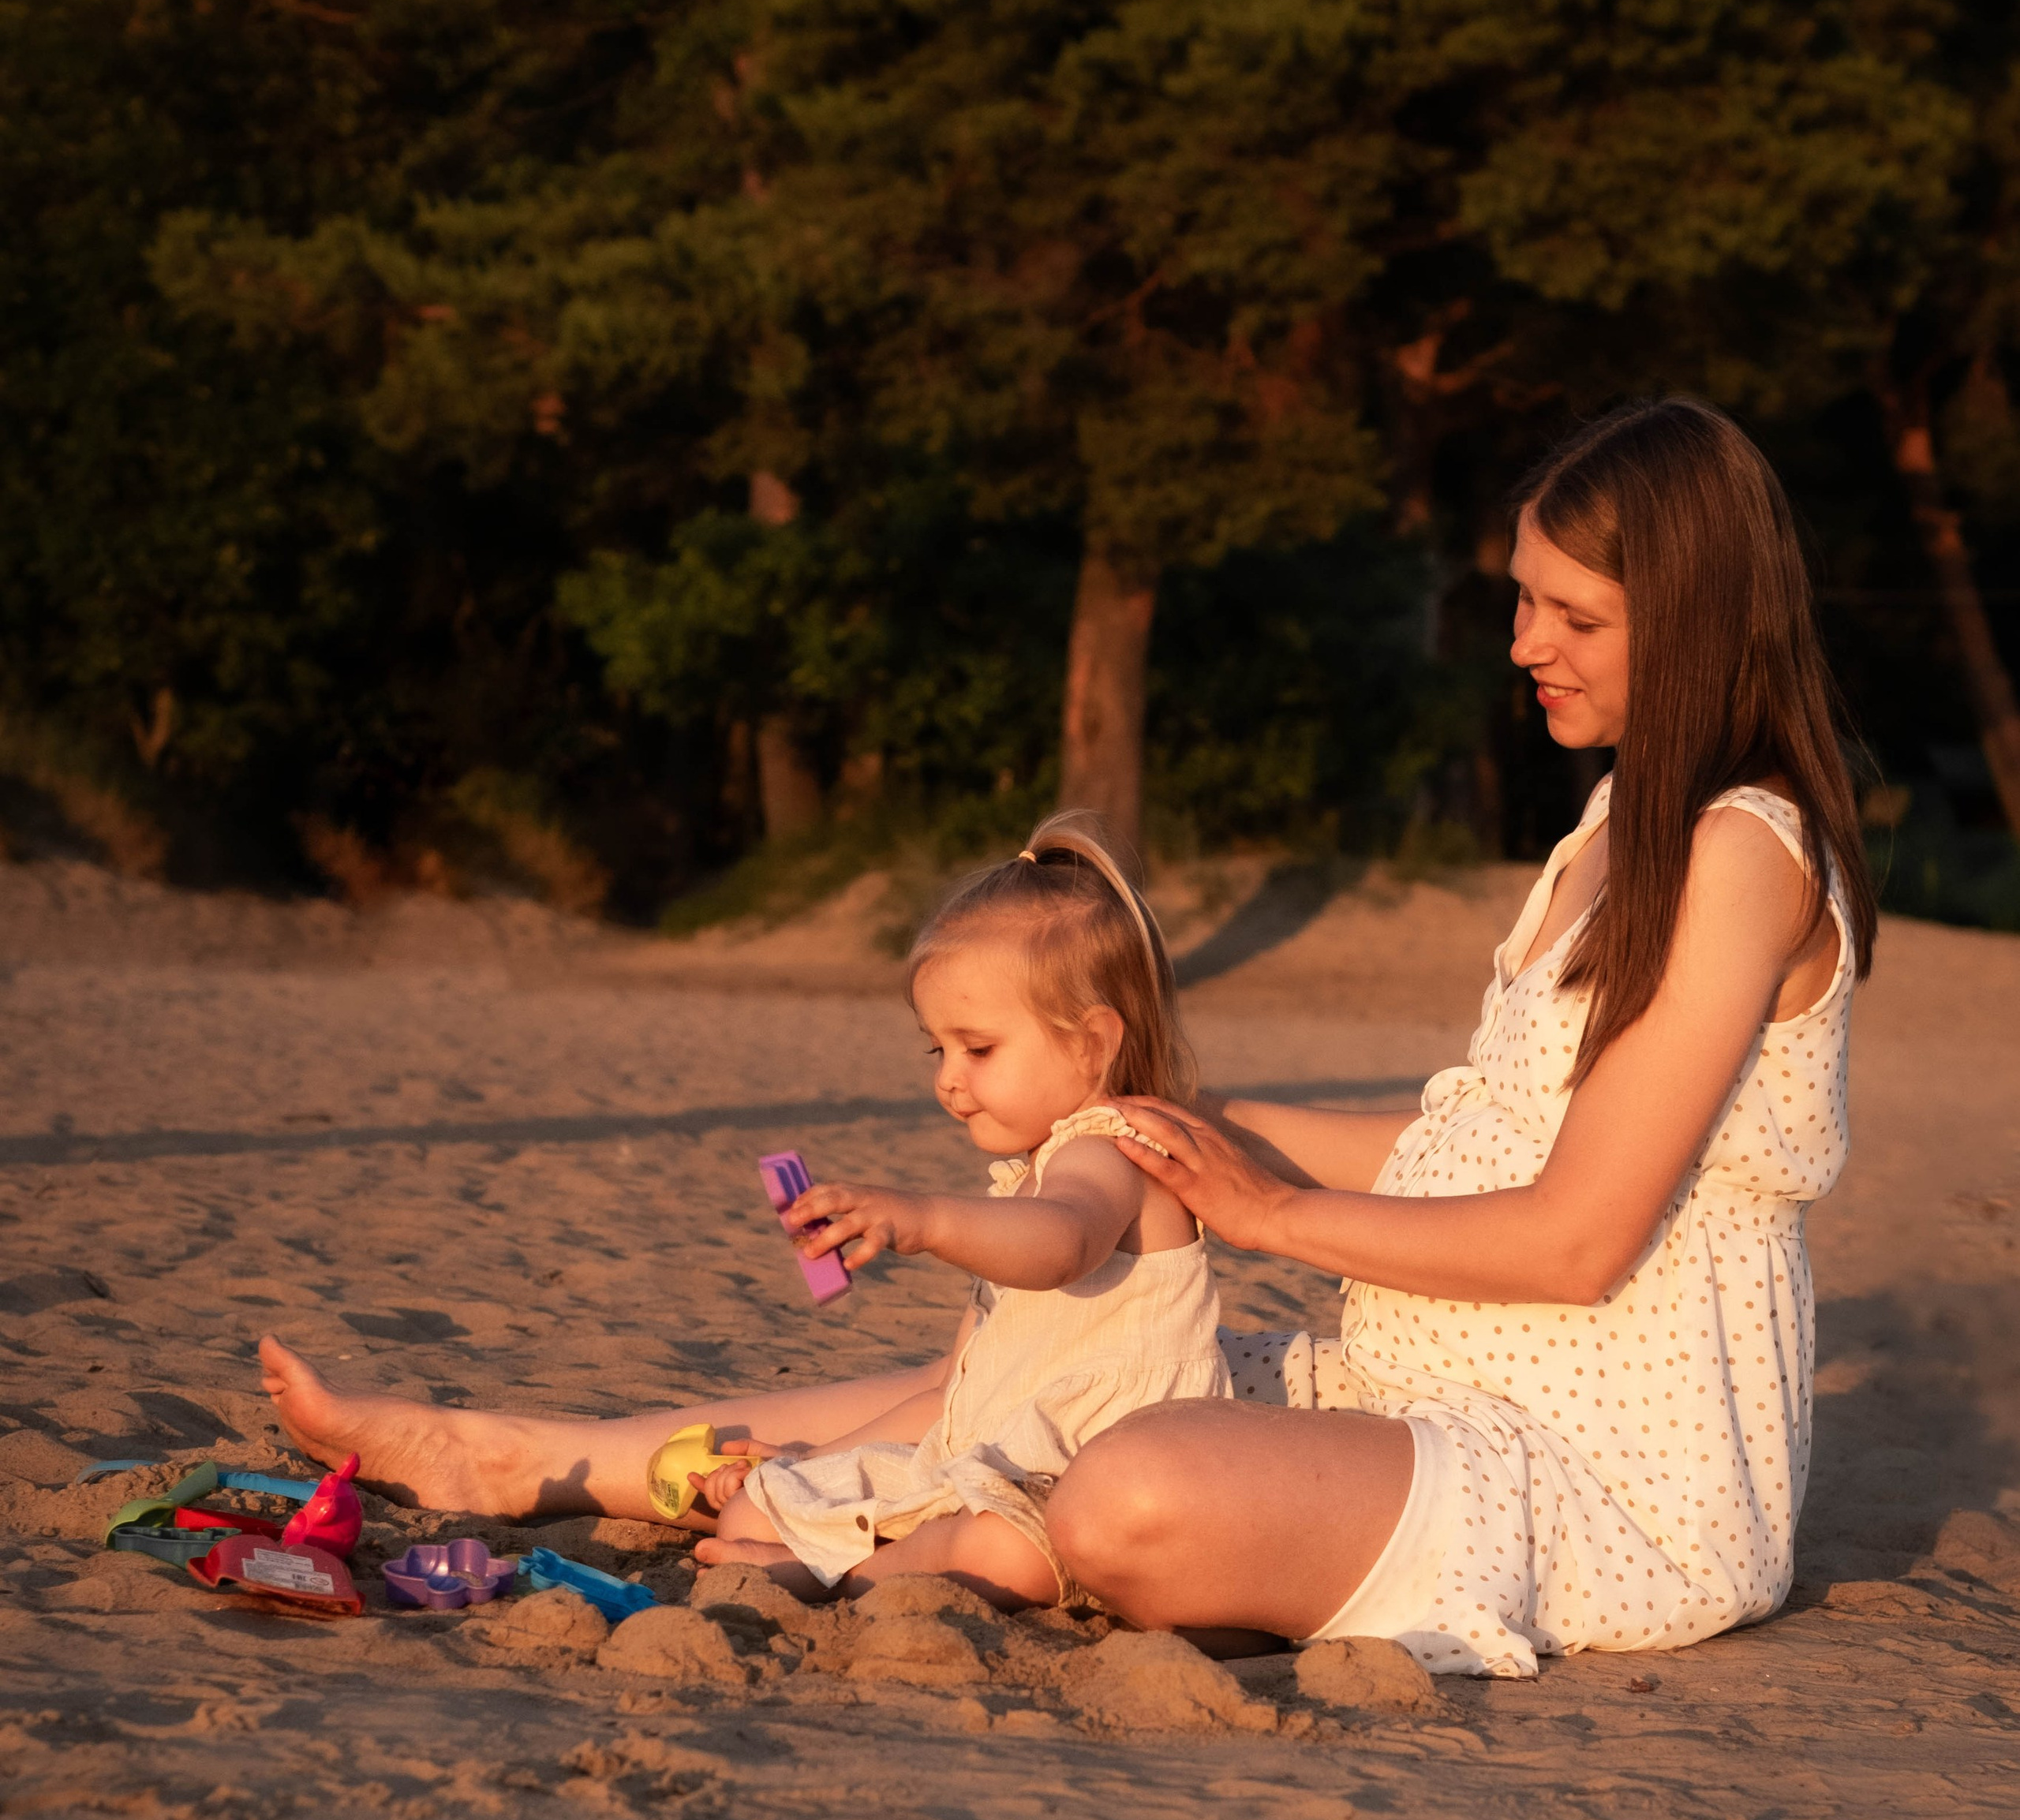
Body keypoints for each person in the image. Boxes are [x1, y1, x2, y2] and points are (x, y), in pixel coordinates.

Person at [1038, 397, 1876, 1675]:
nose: (1526, 642)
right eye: (1524, 600)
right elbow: (1471, 1145)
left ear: (1699, 626)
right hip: (1427, 1391)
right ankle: (622, 1447)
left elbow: (1578, 1237)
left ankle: (1173, 1557)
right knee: (1048, 1377)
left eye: (1575, 616)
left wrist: (1266, 1210)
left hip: (1603, 1475)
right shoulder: (1608, 829)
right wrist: (1212, 1125)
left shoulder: (1743, 854)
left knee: (1123, 1492)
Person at [257, 820, 1229, 1609]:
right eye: (933, 1051)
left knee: (999, 1555)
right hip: (1012, 1459)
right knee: (758, 1511)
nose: (949, 1081)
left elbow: (1059, 1244)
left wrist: (923, 1217)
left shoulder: (1110, 1150)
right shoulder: (1031, 1174)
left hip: (1092, 1491)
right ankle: (798, 1541)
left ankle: (851, 1574)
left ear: (1094, 1044)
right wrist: (804, 1466)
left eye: (977, 1048)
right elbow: (956, 1394)